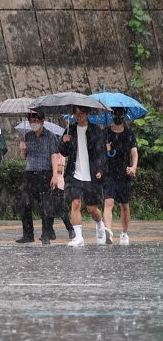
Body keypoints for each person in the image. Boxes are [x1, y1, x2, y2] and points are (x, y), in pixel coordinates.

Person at [60, 106, 105, 247]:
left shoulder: (96, 131)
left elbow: (101, 153)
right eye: (75, 113)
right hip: (75, 174)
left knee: (92, 208)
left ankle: (100, 224)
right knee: (76, 203)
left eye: (81, 113)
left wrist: (100, 169)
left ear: (87, 113)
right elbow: (63, 152)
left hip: (91, 175)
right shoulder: (69, 130)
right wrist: (64, 141)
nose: (78, 116)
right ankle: (78, 237)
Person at [17, 112, 65, 245]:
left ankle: (46, 233)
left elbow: (54, 155)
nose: (34, 122)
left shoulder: (50, 136)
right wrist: (22, 150)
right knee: (24, 203)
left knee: (45, 205)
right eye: (32, 120)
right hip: (29, 173)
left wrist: (55, 175)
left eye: (36, 120)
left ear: (42, 121)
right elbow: (24, 157)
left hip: (45, 173)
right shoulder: (28, 136)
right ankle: (28, 234)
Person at [102, 107, 138, 246]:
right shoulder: (105, 133)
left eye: (121, 114)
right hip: (109, 173)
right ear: (111, 114)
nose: (118, 116)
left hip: (124, 174)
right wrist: (105, 149)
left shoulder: (129, 134)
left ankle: (124, 233)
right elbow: (98, 154)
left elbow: (134, 152)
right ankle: (108, 232)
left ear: (124, 115)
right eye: (116, 113)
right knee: (108, 202)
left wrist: (133, 167)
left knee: (124, 205)